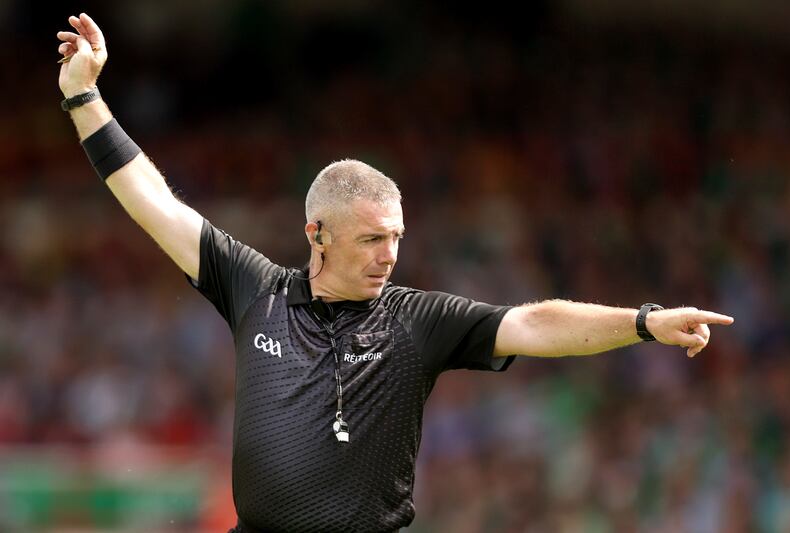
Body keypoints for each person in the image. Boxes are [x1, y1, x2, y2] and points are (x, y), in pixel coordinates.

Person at [56, 13, 734, 533]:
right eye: (372, 239)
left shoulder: (418, 320)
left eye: (397, 238)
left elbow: (531, 321)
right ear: (316, 235)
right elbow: (155, 204)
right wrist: (84, 97)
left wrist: (644, 322)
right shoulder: (254, 289)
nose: (390, 254)